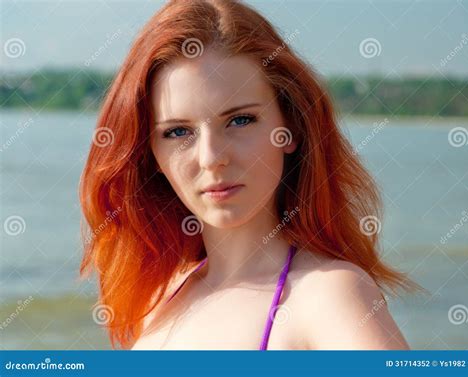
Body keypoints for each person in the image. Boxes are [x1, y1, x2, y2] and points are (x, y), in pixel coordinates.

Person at [79, 0, 424, 350]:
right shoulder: (160, 300)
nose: (212, 158)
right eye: (178, 132)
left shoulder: (329, 296)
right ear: (149, 154)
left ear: (291, 127)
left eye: (240, 120)